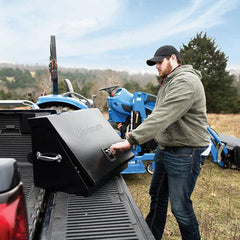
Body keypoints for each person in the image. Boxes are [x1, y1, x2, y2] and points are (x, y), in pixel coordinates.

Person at [110, 45, 210, 240]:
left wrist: (131, 140)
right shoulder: (169, 82)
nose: (156, 66)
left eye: (159, 62)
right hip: (166, 149)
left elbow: (164, 115)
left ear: (173, 58)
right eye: (155, 63)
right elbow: (157, 114)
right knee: (157, 197)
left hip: (186, 152)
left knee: (180, 208)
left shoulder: (186, 82)